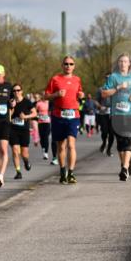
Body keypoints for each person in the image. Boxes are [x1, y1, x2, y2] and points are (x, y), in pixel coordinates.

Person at [101, 53, 131, 181]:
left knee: (128, 139)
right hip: (116, 114)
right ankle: (125, 163)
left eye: (125, 61)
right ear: (118, 63)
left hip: (130, 113)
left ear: (129, 63)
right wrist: (118, 87)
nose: (123, 64)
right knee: (120, 143)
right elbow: (104, 93)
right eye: (120, 61)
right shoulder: (113, 77)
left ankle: (124, 169)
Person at [44, 55, 84, 185]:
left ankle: (71, 173)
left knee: (71, 145)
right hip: (58, 115)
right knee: (61, 146)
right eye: (66, 64)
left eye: (71, 64)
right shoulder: (55, 79)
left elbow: (80, 93)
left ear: (74, 66)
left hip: (73, 115)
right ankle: (62, 172)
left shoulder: (77, 79)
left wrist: (81, 95)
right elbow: (45, 96)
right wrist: (56, 94)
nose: (68, 66)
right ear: (62, 66)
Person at [9, 83, 36, 180]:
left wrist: (25, 117)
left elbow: (34, 113)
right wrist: (12, 107)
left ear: (22, 91)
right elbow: (8, 116)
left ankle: (26, 161)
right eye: (14, 91)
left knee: (24, 154)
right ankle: (18, 171)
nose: (16, 92)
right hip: (12, 129)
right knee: (15, 151)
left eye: (18, 90)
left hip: (24, 130)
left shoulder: (27, 102)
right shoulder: (11, 102)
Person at [96, 79, 113, 155]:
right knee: (104, 132)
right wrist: (100, 106)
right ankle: (104, 143)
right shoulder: (100, 89)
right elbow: (96, 101)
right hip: (103, 113)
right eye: (107, 78)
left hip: (113, 114)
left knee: (112, 133)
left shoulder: (115, 89)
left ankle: (109, 149)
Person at [35, 95, 52, 161]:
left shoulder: (49, 103)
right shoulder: (38, 103)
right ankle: (43, 149)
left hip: (47, 122)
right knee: (42, 137)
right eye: (43, 96)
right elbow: (35, 111)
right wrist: (38, 115)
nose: (44, 97)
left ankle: (46, 153)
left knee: (46, 137)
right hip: (40, 122)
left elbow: (51, 110)